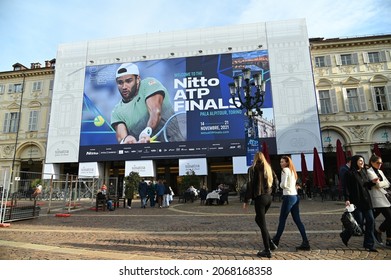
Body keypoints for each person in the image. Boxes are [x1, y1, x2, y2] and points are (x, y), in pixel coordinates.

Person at [111, 63, 185, 144]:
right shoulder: (116, 111)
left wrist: (146, 132)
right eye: (120, 82)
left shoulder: (148, 84)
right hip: (146, 154)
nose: (124, 86)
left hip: (173, 146)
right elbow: (121, 136)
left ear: (138, 79)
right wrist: (125, 140)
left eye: (129, 81)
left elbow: (155, 111)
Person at [271, 155, 310, 251]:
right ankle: (305, 241)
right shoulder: (293, 171)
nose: (281, 164)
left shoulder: (285, 170)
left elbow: (283, 185)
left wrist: (279, 184)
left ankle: (275, 241)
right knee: (297, 220)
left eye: (282, 162)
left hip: (288, 197)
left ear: (287, 163)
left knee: (282, 219)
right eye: (280, 162)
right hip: (295, 196)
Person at [342, 155, 379, 252]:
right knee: (359, 222)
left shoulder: (364, 171)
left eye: (363, 161)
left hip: (366, 201)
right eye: (360, 161)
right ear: (355, 161)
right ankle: (345, 234)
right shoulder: (349, 173)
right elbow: (346, 187)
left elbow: (366, 185)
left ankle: (369, 244)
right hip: (356, 201)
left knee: (371, 221)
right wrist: (347, 199)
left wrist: (373, 182)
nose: (362, 162)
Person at [243, 152, 276, 258]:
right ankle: (270, 243)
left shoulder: (252, 169)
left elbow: (250, 185)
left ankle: (267, 250)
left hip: (260, 198)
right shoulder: (268, 168)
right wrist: (272, 192)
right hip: (268, 198)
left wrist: (246, 200)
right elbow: (276, 181)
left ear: (255, 158)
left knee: (263, 225)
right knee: (258, 220)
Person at [366, 154, 391, 247]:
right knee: (390, 217)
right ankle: (379, 231)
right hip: (378, 199)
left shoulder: (380, 171)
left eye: (381, 163)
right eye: (377, 163)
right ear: (372, 162)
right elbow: (378, 185)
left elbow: (387, 183)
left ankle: (389, 239)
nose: (380, 164)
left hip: (385, 197)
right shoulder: (369, 171)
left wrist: (382, 183)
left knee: (389, 218)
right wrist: (382, 183)